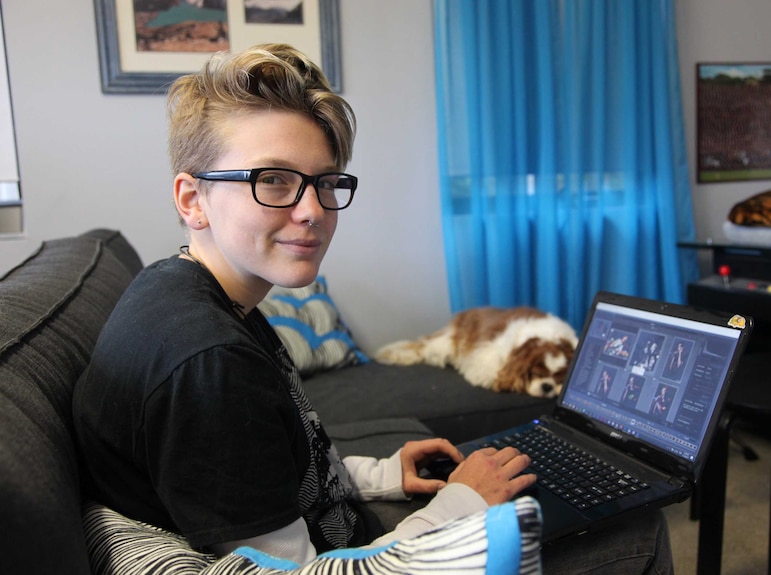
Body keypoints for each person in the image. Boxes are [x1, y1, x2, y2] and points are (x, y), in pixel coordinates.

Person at [73, 43, 674, 573]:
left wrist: (381, 474)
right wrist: (460, 505)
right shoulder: (207, 362)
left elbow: (267, 475)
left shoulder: (190, 293)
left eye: (326, 182)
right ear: (192, 199)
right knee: (637, 531)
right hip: (359, 557)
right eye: (274, 180)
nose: (312, 210)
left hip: (345, 528)